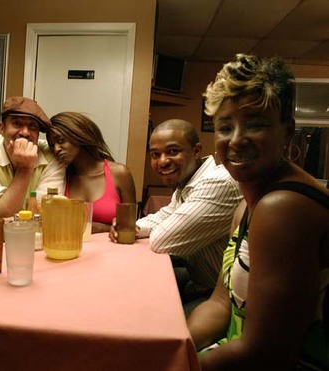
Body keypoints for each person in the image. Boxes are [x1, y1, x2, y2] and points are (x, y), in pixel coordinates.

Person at [187, 54, 329, 369]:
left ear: (287, 132)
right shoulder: (247, 206)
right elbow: (221, 304)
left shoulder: (284, 208)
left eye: (256, 125)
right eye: (225, 127)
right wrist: (177, 346)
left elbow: (265, 354)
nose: (236, 139)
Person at [109, 119, 242, 304]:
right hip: (200, 284)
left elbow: (163, 241)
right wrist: (131, 225)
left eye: (173, 151)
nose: (162, 162)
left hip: (225, 301)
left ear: (196, 151)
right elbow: (163, 216)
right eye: (155, 154)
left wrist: (137, 229)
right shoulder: (187, 183)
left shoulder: (216, 182)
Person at [0, 96, 65, 217]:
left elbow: (45, 215)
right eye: (17, 123)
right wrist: (25, 169)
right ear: (2, 128)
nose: (25, 132)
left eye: (32, 126)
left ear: (38, 133)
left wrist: (25, 166)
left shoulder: (51, 156)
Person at [46, 111, 136, 233]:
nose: (56, 149)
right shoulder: (62, 178)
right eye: (52, 146)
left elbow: (130, 229)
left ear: (78, 135)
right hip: (70, 250)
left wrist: (95, 227)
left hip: (113, 250)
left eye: (61, 140)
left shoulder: (120, 174)